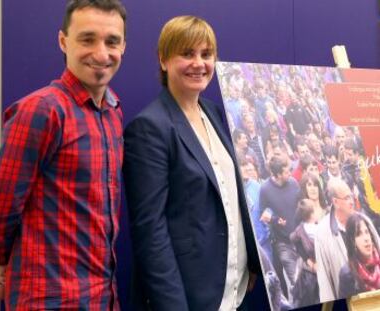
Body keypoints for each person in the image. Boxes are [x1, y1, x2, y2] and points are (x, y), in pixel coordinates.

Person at [0, 0, 126, 309]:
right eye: (87, 39)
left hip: (101, 296)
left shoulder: (112, 111)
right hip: (49, 298)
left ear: (124, 45)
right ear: (62, 41)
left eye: (112, 42)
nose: (101, 53)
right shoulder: (42, 110)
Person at [123, 16, 260, 311]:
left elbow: (230, 196)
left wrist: (251, 260)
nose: (199, 63)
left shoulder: (212, 112)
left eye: (206, 54)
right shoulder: (149, 128)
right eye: (187, 53)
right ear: (163, 60)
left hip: (232, 291)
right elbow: (150, 232)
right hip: (188, 297)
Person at [259, 155, 300, 299]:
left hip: (300, 238)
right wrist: (276, 220)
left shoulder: (294, 183)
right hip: (283, 243)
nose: (290, 173)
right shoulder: (265, 189)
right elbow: (263, 214)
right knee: (296, 281)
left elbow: (301, 204)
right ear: (277, 174)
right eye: (287, 171)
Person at [314, 179, 361, 302]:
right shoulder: (322, 233)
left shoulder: (362, 221)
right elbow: (324, 279)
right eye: (346, 198)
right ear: (335, 202)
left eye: (351, 196)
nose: (352, 201)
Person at [339, 213, 380, 298]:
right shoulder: (347, 275)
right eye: (359, 234)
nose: (366, 238)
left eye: (366, 232)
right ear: (352, 241)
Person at [290, 199, 319, 307]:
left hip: (306, 272)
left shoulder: (300, 229)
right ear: (311, 214)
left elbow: (293, 239)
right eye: (315, 210)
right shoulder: (317, 230)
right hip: (316, 272)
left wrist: (307, 260)